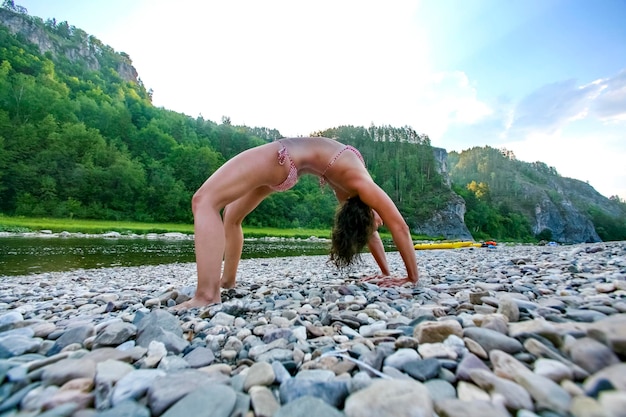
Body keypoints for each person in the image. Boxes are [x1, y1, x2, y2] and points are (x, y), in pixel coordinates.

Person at [175, 137, 419, 309]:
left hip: (282, 158)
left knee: (204, 201)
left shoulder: (360, 185)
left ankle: (207, 294)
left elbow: (400, 227)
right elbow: (370, 232)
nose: (380, 222)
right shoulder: (352, 193)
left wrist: (411, 278)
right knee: (232, 215)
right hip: (287, 168)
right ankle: (226, 282)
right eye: (377, 220)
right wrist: (386, 273)